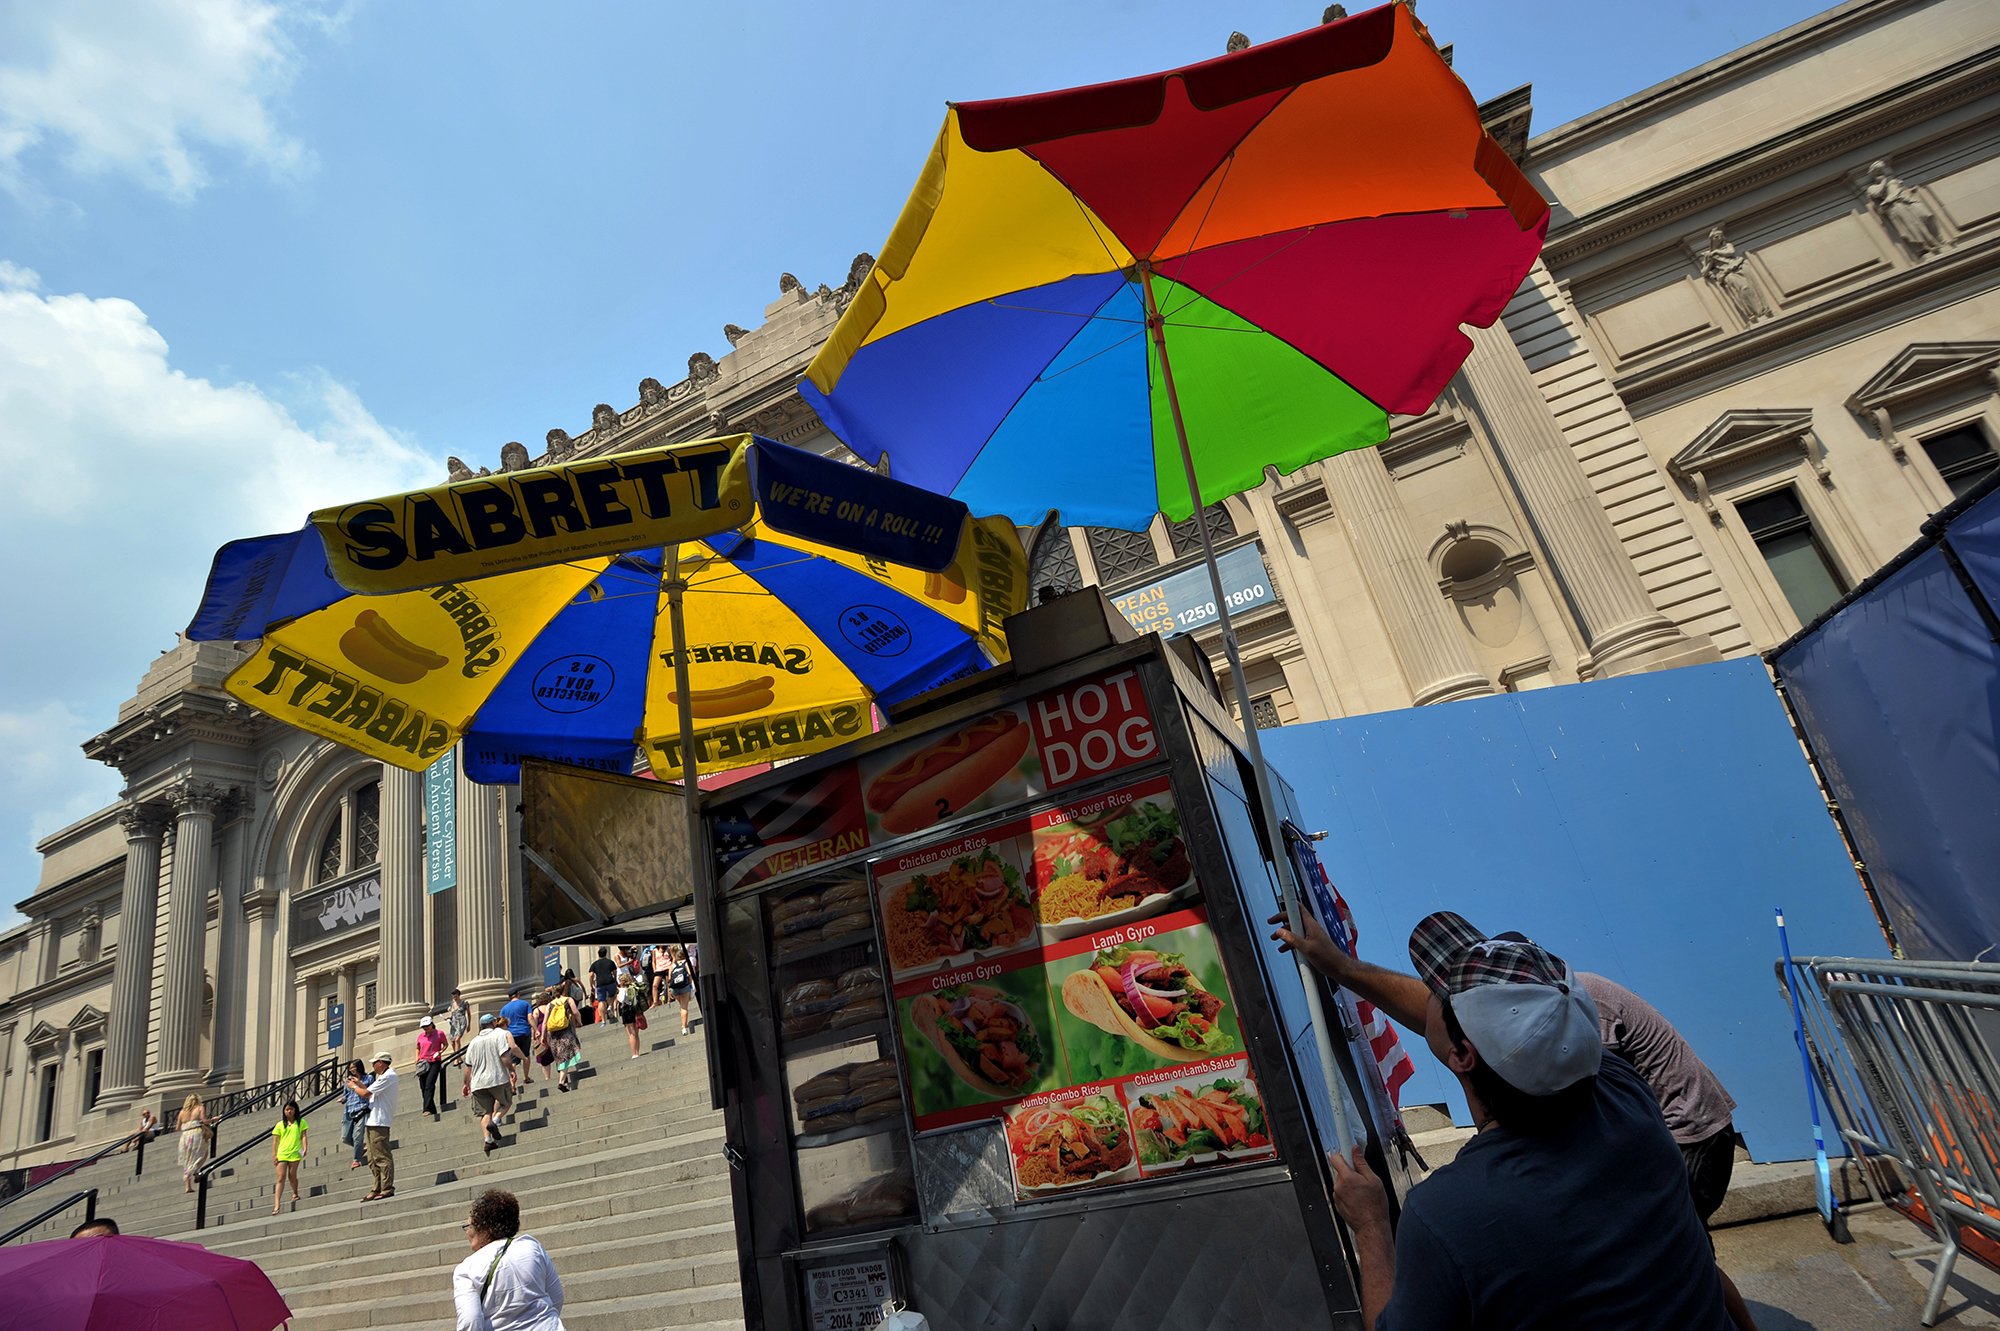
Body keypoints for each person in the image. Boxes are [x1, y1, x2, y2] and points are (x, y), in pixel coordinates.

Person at [1273, 908, 1758, 1329]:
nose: (1428, 997)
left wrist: (1372, 1226)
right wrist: (1342, 967)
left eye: (1440, 993)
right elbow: (1461, 1030)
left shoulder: (1449, 1213)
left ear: (1462, 1054)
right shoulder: (1624, 1092)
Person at [452, 1188, 567, 1331]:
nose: (468, 1232)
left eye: (469, 1226)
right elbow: (556, 1297)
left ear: (485, 1228)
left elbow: (471, 1321)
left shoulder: (466, 1269)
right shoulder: (532, 1246)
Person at [464, 1013, 521, 1156]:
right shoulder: (498, 1035)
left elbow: (467, 1067)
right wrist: (511, 1070)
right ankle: (495, 1121)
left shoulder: (473, 1042)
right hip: (497, 1078)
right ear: (494, 1023)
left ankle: (488, 1140)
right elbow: (504, 1056)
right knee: (505, 1103)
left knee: (485, 1112)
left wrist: (466, 1083)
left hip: (477, 1083)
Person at [355, 1050, 400, 1201]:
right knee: (372, 1158)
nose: (373, 1066)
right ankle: (376, 1187)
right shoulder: (382, 1077)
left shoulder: (389, 1076)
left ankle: (387, 1187)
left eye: (374, 1063)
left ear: (381, 1063)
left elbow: (366, 1094)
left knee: (381, 1156)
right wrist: (357, 1083)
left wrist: (353, 1087)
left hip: (380, 1121)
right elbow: (369, 1091)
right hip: (373, 1120)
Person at [542, 984, 584, 1092]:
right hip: (566, 1030)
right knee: (566, 1057)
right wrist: (579, 1022)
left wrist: (543, 1036)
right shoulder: (568, 1000)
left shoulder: (549, 1005)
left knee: (559, 1056)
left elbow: (545, 1022)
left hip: (553, 1034)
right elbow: (575, 1012)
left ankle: (562, 1077)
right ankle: (561, 1081)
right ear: (563, 991)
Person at [270, 1098, 308, 1214]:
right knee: (280, 1178)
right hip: (282, 1153)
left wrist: (305, 1147)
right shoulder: (280, 1125)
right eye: (287, 1109)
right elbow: (275, 1141)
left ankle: (295, 1192)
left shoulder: (301, 1122)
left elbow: (303, 1136)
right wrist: (274, 1154)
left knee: (292, 1175)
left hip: (295, 1152)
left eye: (291, 1109)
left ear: (295, 1110)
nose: (289, 1111)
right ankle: (277, 1204)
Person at [175, 1093, 210, 1195]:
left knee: (187, 1159)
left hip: (185, 1136)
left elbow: (177, 1128)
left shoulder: (182, 1112)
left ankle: (187, 1186)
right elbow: (204, 1121)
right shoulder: (200, 1108)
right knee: (203, 1153)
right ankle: (195, 1169)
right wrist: (213, 1119)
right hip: (196, 1133)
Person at [341, 1058, 372, 1170]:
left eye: (354, 1067)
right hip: (349, 1110)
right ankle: (361, 1147)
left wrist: (358, 1084)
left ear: (359, 1067)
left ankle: (356, 1159)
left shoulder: (368, 1078)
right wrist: (343, 1099)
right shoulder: (348, 1081)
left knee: (357, 1136)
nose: (352, 1070)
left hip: (362, 1109)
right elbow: (347, 1094)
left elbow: (370, 1091)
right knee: (345, 1137)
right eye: (350, 1068)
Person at [500, 987, 536, 1085]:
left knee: (513, 1059)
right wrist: (536, 1030)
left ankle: (512, 1083)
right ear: (518, 994)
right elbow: (530, 1017)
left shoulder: (504, 1009)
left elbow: (502, 1023)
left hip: (511, 1035)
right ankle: (526, 1077)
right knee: (526, 1055)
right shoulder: (525, 1004)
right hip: (524, 1032)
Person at [417, 1015, 449, 1121]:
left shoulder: (439, 1033)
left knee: (429, 1084)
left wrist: (440, 1052)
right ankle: (432, 1108)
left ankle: (426, 1108)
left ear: (431, 1024)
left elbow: (445, 1044)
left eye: (426, 1026)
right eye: (423, 1027)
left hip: (434, 1061)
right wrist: (416, 1058)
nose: (425, 1028)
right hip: (422, 1062)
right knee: (423, 1085)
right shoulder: (421, 1036)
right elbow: (418, 1047)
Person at [665, 943, 695, 1037]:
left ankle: (684, 1022)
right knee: (684, 1007)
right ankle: (684, 1027)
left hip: (675, 989)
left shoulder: (672, 966)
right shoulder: (686, 963)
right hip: (684, 987)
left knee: (681, 1006)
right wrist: (691, 985)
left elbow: (669, 979)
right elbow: (690, 975)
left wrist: (669, 991)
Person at [618, 966, 648, 1059]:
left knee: (631, 1033)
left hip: (627, 1011)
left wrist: (619, 992)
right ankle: (637, 1051)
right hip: (636, 1010)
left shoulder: (623, 989)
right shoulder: (634, 987)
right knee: (636, 1033)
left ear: (622, 981)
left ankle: (634, 1053)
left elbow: (621, 999)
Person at [588, 947, 618, 1025]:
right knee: (613, 995)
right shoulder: (610, 962)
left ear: (598, 954)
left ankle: (603, 1021)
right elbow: (615, 972)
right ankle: (610, 1006)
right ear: (606, 953)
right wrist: (615, 980)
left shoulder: (594, 964)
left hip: (600, 983)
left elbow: (591, 975)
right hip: (610, 981)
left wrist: (591, 985)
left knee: (601, 1001)